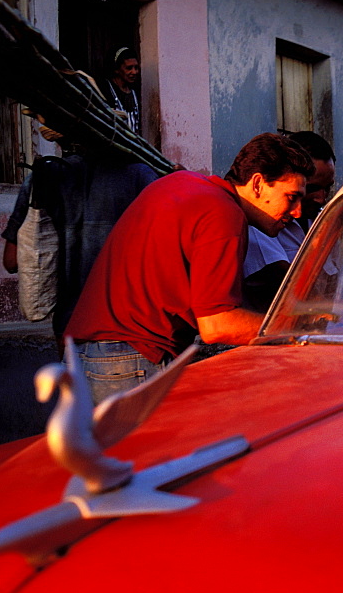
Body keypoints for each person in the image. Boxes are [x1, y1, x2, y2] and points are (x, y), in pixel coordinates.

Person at [65, 132, 314, 404]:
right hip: (131, 358)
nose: (298, 212)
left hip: (87, 354)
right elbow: (217, 325)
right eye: (292, 197)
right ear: (257, 184)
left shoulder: (184, 182)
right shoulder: (223, 213)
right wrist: (297, 327)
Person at [1, 136, 158, 350]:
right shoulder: (142, 175)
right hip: (130, 329)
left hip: (69, 328)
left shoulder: (42, 178)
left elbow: (11, 260)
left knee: (75, 384)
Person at [243, 132, 336, 309]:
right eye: (312, 188)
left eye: (328, 188)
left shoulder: (319, 218)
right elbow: (290, 288)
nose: (321, 199)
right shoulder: (260, 223)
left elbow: (333, 281)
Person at [104, 47, 141, 135]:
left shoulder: (134, 93)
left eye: (136, 67)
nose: (134, 72)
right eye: (129, 68)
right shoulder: (107, 92)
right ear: (116, 69)